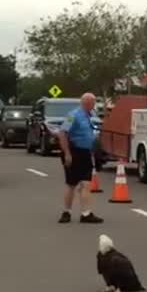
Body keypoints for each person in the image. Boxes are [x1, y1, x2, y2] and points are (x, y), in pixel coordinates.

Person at [56, 92, 104, 224]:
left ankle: (86, 213)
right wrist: (67, 153)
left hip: (85, 153)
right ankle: (66, 212)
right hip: (74, 151)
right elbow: (62, 133)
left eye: (93, 103)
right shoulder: (74, 115)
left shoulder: (89, 115)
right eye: (91, 102)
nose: (93, 105)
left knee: (86, 183)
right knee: (71, 183)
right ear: (85, 102)